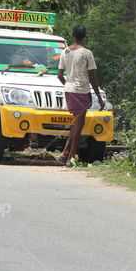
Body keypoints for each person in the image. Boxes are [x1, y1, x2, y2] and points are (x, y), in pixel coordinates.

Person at [57, 25, 105, 167]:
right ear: (85, 36)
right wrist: (99, 98)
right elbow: (92, 77)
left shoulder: (65, 51)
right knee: (79, 126)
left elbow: (59, 75)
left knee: (76, 124)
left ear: (73, 35)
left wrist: (68, 84)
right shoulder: (86, 53)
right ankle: (70, 159)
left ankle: (64, 153)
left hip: (69, 90)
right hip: (81, 91)